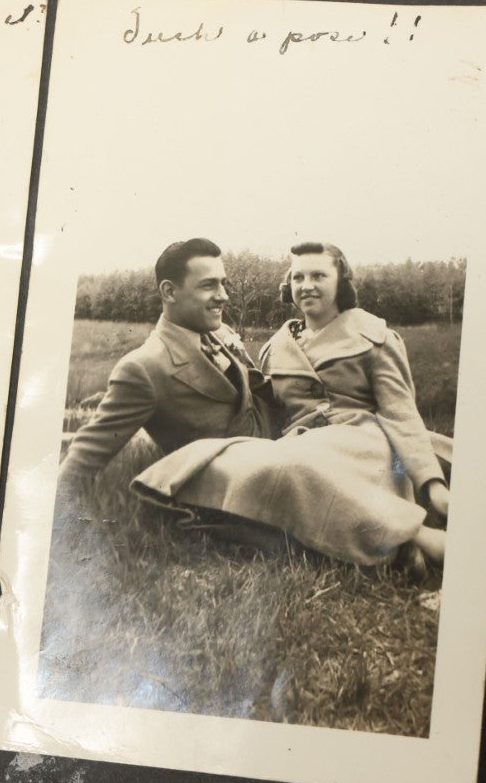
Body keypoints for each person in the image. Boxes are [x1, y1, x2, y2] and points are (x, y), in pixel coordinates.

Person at [131, 241, 449, 567]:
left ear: (341, 281)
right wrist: (231, 361)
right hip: (299, 443)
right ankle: (394, 549)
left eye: (318, 276)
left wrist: (432, 483)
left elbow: (402, 415)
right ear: (289, 285)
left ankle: (416, 538)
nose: (306, 286)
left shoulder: (374, 335)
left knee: (294, 467)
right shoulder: (274, 347)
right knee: (226, 463)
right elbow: (267, 411)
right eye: (298, 278)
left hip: (362, 442)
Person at [58, 238, 271, 487]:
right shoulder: (143, 368)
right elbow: (81, 462)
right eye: (208, 286)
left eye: (223, 284)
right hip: (239, 487)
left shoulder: (219, 333)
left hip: (276, 449)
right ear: (169, 292)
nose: (223, 296)